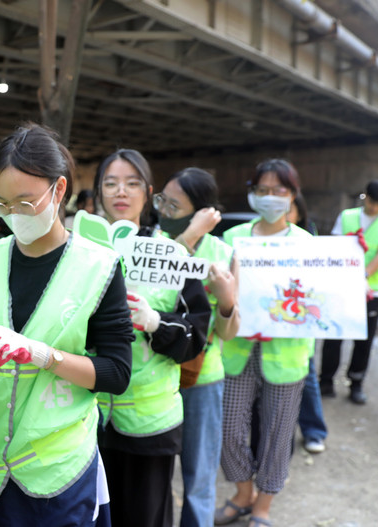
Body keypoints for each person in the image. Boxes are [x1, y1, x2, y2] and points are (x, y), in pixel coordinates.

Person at [0, 124, 134, 527]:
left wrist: (44, 355)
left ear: (58, 190)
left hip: (56, 470)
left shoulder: (99, 268)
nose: (12, 215)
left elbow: (116, 373)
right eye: (1, 203)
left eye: (25, 203)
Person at [91, 150, 211, 527]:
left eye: (132, 183)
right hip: (83, 421)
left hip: (149, 424)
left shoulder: (171, 254)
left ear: (148, 192)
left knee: (146, 517)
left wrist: (156, 322)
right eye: (110, 183)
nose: (120, 192)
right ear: (97, 193)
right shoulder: (79, 251)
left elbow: (196, 336)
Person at [216, 159, 313, 527]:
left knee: (277, 432)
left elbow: (317, 303)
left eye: (279, 191)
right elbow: (217, 295)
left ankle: (263, 506)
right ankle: (242, 493)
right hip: (236, 348)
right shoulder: (231, 239)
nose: (270, 197)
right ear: (252, 193)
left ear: (292, 196)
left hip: (285, 353)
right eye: (262, 190)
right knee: (227, 429)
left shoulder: (306, 244)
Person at [154, 167, 240, 527]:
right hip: (155, 377)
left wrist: (225, 301)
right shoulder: (152, 242)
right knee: (154, 476)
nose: (164, 211)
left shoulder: (223, 252)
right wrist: (187, 237)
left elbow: (230, 331)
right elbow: (156, 286)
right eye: (162, 201)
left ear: (201, 211)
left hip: (203, 380)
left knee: (199, 479)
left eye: (175, 205)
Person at [319, 179, 378, 405]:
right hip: (342, 287)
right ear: (365, 197)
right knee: (334, 336)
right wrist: (348, 278)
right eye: (373, 202)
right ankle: (326, 380)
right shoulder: (347, 216)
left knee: (364, 340)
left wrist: (362, 277)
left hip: (372, 290)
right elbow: (337, 247)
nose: (375, 208)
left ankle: (356, 383)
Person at [287, 195, 328, 453]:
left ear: (299, 213)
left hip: (299, 324)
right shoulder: (256, 239)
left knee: (308, 377)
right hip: (270, 326)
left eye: (288, 209)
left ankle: (314, 431)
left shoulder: (307, 239)